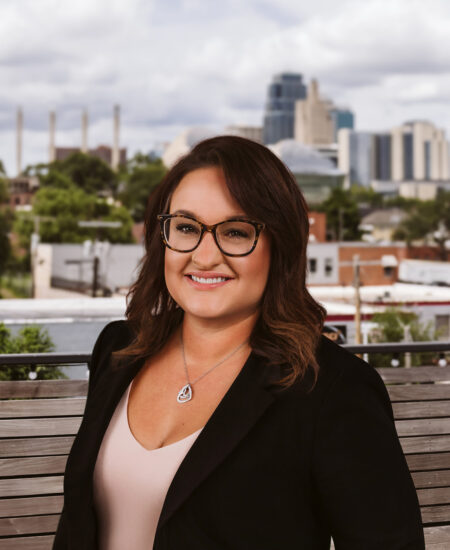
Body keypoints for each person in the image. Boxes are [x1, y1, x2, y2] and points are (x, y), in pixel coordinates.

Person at [53, 135, 424, 550]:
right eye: (187, 227)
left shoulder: (333, 390)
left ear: (278, 244)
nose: (205, 256)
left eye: (234, 232)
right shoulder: (119, 351)